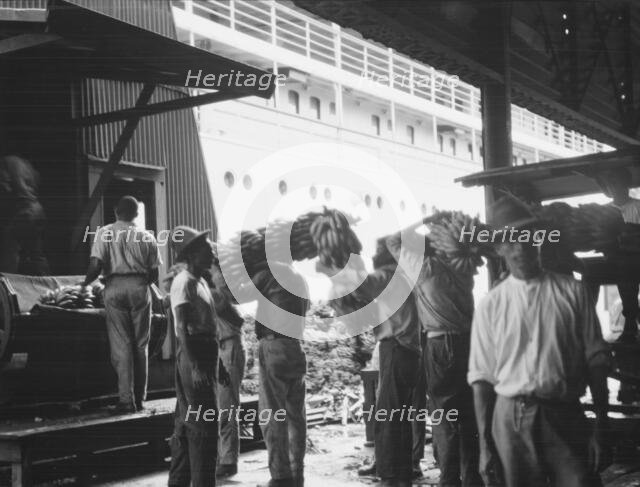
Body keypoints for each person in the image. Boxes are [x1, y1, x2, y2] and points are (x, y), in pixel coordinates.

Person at [468, 196, 611, 487]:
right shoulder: (491, 304)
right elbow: (481, 379)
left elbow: (596, 360)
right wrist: (484, 447)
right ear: (498, 249)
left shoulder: (572, 292)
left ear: (538, 240)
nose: (520, 247)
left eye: (525, 237)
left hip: (565, 412)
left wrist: (602, 427)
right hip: (510, 417)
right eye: (510, 241)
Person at [387, 218, 483, 487]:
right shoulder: (465, 270)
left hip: (441, 346)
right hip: (469, 344)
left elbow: (393, 240)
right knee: (468, 414)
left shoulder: (425, 269)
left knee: (443, 415)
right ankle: (473, 477)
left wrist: (423, 222)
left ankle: (449, 480)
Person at [319, 238, 421, 487]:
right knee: (401, 416)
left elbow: (360, 286)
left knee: (387, 416)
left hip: (396, 349)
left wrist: (331, 269)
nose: (373, 254)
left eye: (378, 250)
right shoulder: (404, 277)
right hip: (408, 351)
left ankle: (389, 476)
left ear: (386, 255)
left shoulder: (388, 275)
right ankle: (403, 472)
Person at [231, 260, 309, 487]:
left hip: (273, 345)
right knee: (296, 415)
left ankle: (280, 476)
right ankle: (297, 473)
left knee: (272, 414)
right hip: (296, 346)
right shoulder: (299, 278)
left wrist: (218, 273)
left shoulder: (270, 273)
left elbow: (237, 295)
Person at [82, 195, 161, 413]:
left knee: (122, 344)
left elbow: (96, 266)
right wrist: (140, 283)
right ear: (137, 214)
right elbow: (154, 272)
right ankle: (140, 398)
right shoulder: (147, 237)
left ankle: (126, 400)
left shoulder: (105, 232)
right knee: (140, 345)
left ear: (116, 210)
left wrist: (84, 283)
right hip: (140, 287)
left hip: (114, 287)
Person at [167, 225, 229, 487]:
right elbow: (181, 328)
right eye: (205, 248)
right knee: (205, 427)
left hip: (207, 352)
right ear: (191, 254)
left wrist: (220, 365)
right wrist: (195, 367)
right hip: (194, 355)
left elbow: (210, 325)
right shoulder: (183, 283)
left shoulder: (201, 281)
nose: (210, 251)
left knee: (185, 426)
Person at [209, 259, 246, 479]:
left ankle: (229, 461)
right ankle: (224, 457)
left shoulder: (220, 295)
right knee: (222, 406)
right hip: (222, 348)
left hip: (228, 349)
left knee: (227, 406)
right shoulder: (219, 294)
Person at [597, 167, 640, 341]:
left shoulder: (638, 206)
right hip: (610, 261)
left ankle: (630, 321)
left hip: (634, 260)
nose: (614, 186)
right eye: (611, 183)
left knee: (627, 270)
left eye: (618, 182)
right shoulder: (600, 211)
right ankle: (588, 326)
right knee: (587, 274)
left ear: (627, 184)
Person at [0, 154, 49, 275]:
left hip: (24, 211)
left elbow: (5, 188)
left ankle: (7, 283)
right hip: (36, 208)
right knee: (36, 252)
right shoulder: (24, 164)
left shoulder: (4, 164)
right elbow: (37, 180)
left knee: (10, 247)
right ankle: (44, 281)